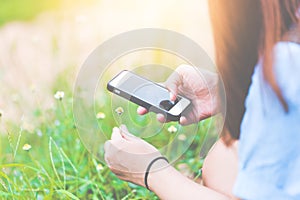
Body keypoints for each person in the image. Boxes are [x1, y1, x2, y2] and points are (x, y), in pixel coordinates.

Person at [104, 0, 300, 199]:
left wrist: (152, 172)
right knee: (223, 162)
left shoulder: (286, 67)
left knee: (224, 164)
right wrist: (223, 89)